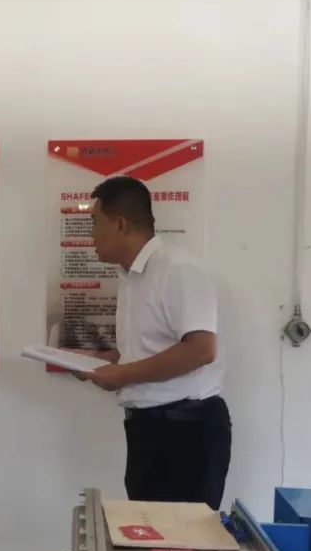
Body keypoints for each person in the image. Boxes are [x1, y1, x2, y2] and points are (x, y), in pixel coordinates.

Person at [78, 176, 231, 509]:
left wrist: (122, 374)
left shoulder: (176, 269)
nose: (91, 236)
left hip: (186, 431)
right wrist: (101, 362)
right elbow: (148, 347)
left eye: (94, 223)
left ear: (120, 225)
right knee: (148, 532)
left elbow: (201, 349)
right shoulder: (131, 276)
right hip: (148, 429)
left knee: (182, 537)